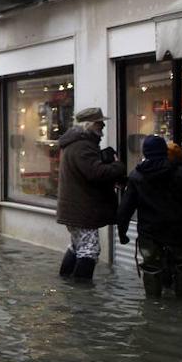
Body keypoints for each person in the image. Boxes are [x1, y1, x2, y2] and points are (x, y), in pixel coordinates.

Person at [55, 106, 126, 282]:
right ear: (90, 125)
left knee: (77, 245)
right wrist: (117, 166)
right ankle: (81, 292)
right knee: (90, 249)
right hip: (82, 208)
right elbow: (95, 173)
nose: (102, 128)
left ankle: (66, 281)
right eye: (100, 124)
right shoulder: (82, 146)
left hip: (75, 207)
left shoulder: (75, 144)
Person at [117, 135, 182, 298]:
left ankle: (152, 304)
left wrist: (122, 232)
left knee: (151, 268)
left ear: (145, 152)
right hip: (179, 230)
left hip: (150, 232)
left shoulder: (137, 176)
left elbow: (125, 207)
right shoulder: (179, 173)